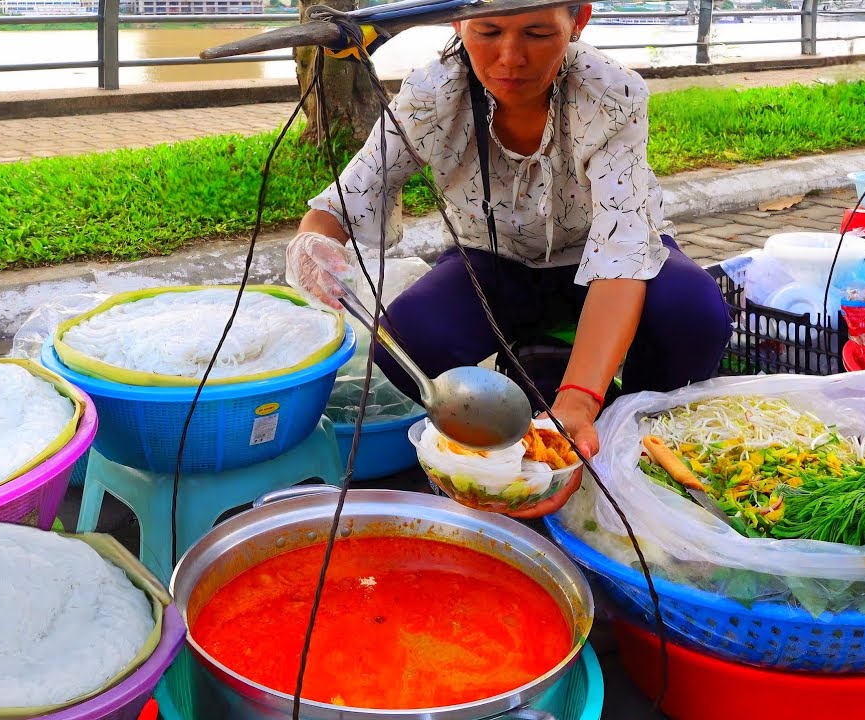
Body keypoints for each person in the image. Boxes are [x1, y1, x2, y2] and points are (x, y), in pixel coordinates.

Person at [286, 2, 732, 516]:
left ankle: (633, 437)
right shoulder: (432, 95)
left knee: (694, 314)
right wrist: (314, 244)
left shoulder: (611, 93)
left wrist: (579, 403)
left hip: (605, 261)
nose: (510, 57)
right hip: (496, 262)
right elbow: (349, 197)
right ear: (458, 24)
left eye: (538, 33)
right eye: (489, 31)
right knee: (404, 338)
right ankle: (513, 420)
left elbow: (621, 256)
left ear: (578, 20)